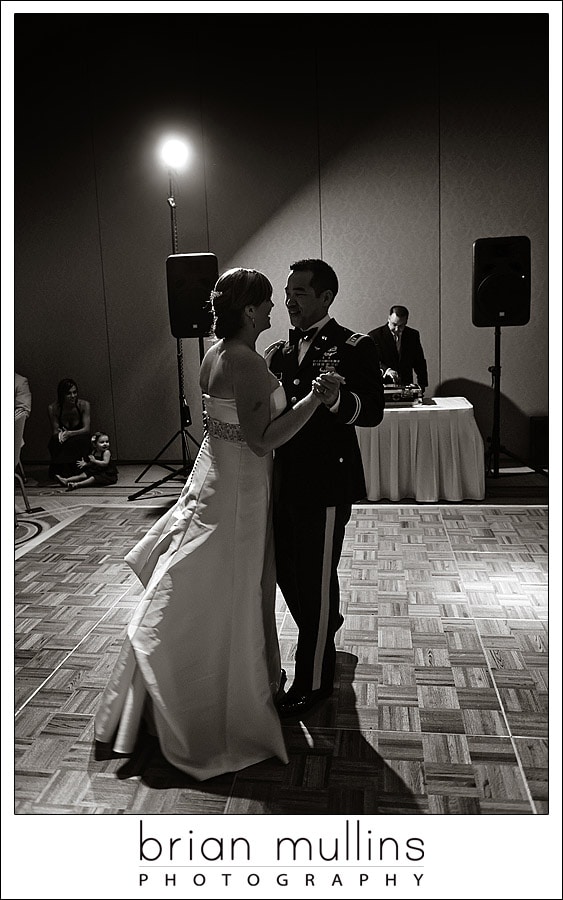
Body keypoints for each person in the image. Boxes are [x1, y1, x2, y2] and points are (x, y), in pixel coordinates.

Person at [94, 267, 333, 781]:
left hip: (220, 483)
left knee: (215, 590)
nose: (273, 310)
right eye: (268, 302)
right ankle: (218, 701)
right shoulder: (245, 362)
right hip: (240, 496)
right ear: (249, 311)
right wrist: (315, 399)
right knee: (235, 592)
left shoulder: (214, 354)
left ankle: (197, 685)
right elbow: (263, 439)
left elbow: (218, 431)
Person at [266, 258, 384, 718]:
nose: (288, 300)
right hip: (283, 483)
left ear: (326, 298)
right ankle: (327, 622)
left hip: (326, 484)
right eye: (287, 291)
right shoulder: (277, 352)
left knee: (315, 579)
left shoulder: (355, 347)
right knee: (287, 572)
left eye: (299, 292)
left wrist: (338, 401)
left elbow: (371, 411)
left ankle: (313, 680)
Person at [368, 305, 428, 393]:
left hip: (406, 386)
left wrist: (422, 385)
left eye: (401, 326)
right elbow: (371, 361)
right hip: (382, 386)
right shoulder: (375, 336)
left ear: (406, 321)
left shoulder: (413, 335)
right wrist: (387, 370)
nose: (397, 329)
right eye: (394, 324)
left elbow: (419, 361)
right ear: (388, 318)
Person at [47, 378, 91, 479]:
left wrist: (70, 433)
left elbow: (86, 429)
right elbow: (55, 430)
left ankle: (76, 470)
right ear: (62, 395)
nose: (73, 396)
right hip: (65, 438)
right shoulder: (53, 408)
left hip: (79, 436)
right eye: (68, 394)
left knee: (84, 438)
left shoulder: (83, 405)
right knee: (54, 441)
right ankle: (62, 470)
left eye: (74, 392)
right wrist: (61, 435)